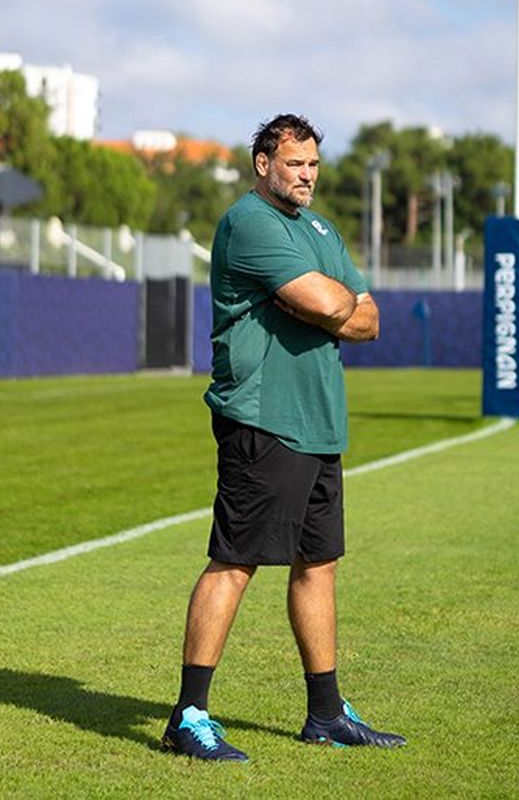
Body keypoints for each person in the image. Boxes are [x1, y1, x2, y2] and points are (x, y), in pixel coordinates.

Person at [162, 113, 406, 761]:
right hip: (264, 418)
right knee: (236, 560)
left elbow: (369, 317)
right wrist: (329, 302)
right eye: (296, 163)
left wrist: (330, 301)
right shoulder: (249, 223)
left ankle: (325, 714)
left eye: (314, 165)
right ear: (264, 165)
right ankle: (188, 716)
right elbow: (333, 305)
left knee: (318, 564)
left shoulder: (320, 229)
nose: (307, 175)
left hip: (320, 421)